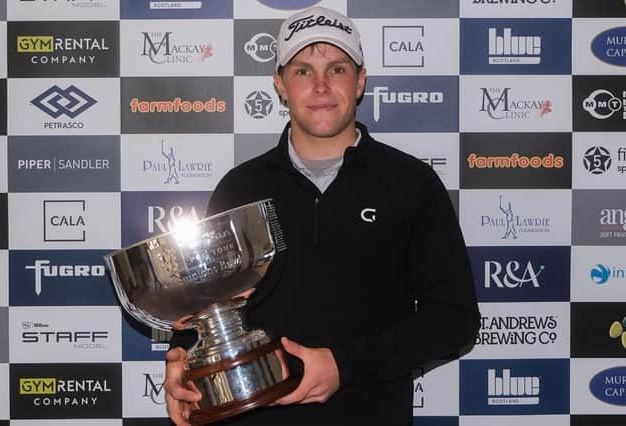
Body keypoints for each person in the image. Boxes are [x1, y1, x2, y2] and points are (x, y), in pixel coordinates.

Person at [164, 6, 480, 425]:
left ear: (361, 80)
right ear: (280, 84)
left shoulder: (411, 183)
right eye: (301, 71)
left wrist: (344, 366)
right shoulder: (240, 188)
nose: (320, 86)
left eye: (336, 69)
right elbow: (202, 309)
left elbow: (455, 320)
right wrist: (182, 364)